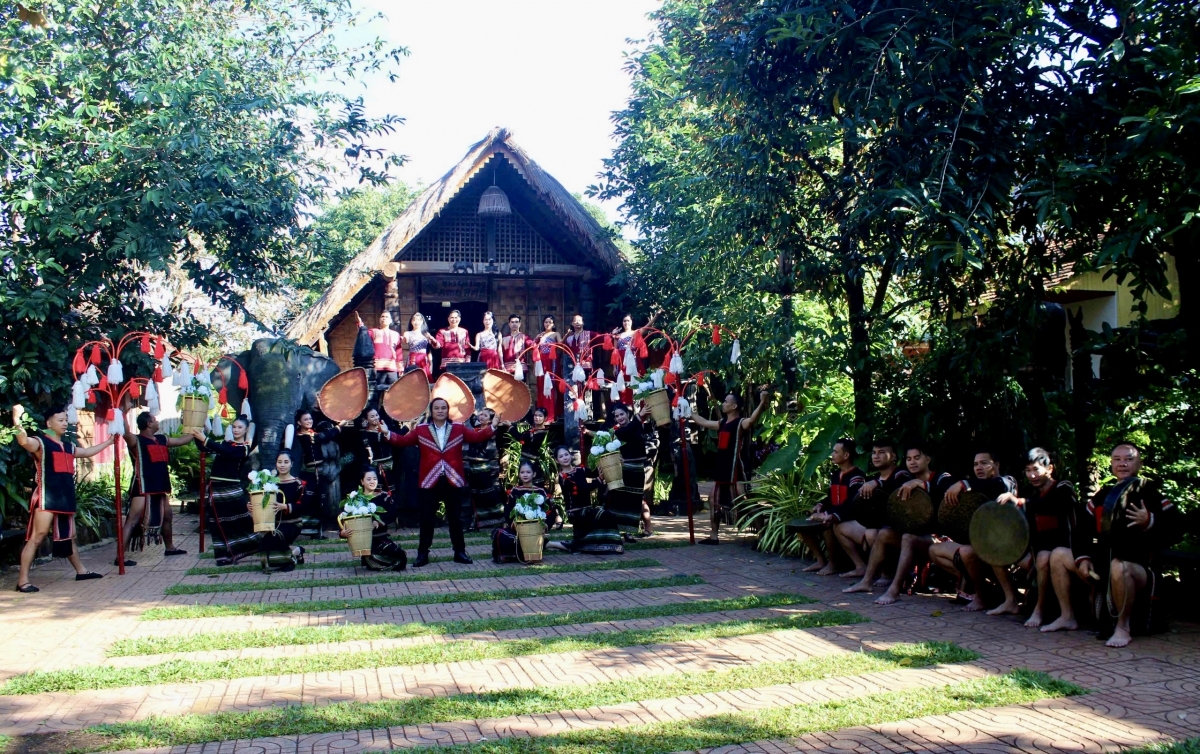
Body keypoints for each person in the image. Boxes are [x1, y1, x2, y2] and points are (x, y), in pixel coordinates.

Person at [1072, 442, 1180, 647]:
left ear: (1139, 463)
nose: (1122, 464)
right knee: (1060, 556)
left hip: (1140, 570)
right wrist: (1083, 558)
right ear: (1111, 464)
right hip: (1103, 566)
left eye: (1129, 459)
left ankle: (1123, 627)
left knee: (1119, 565)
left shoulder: (1150, 493)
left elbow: (1176, 527)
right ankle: (1068, 616)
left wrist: (1150, 521)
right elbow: (1081, 531)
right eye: (1117, 459)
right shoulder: (1103, 495)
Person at [386, 397, 502, 566]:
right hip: (429, 481)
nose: (440, 411)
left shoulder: (458, 428)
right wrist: (386, 432)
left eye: (443, 408)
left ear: (448, 411)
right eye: (437, 408)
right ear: (431, 412)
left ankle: (460, 552)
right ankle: (422, 554)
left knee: (456, 519)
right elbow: (403, 441)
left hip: (452, 480)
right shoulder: (421, 429)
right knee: (427, 519)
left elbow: (476, 437)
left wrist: (493, 426)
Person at [12, 404, 113, 592]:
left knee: (69, 536)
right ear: (49, 422)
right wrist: (17, 420)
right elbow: (24, 441)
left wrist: (109, 442)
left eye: (66, 420)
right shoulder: (41, 443)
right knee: (38, 536)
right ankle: (22, 580)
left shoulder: (68, 446)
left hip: (65, 498)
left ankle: (81, 571)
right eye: (60, 420)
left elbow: (87, 452)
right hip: (47, 496)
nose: (65, 423)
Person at [853, 443, 957, 603]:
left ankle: (894, 590)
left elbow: (946, 493)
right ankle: (867, 582)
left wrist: (923, 485)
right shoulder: (906, 479)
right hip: (914, 534)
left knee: (908, 537)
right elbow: (890, 489)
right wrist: (879, 483)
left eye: (917, 458)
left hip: (938, 537)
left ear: (928, 459)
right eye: (908, 459)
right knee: (884, 533)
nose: (912, 462)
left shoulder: (942, 477)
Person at [995, 447, 1077, 629]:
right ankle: (1011, 600)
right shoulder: (1033, 495)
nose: (1032, 476)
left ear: (1050, 469)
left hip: (1068, 553)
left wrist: (1020, 502)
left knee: (1044, 557)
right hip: (1039, 554)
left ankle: (1040, 610)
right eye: (1028, 471)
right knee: (996, 552)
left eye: (1036, 470)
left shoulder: (1064, 487)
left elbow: (1053, 506)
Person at [929, 449, 1018, 613]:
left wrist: (963, 484)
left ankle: (1008, 598)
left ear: (996, 465)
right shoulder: (975, 488)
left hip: (1007, 546)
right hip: (979, 546)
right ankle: (984, 593)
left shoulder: (1007, 482)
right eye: (975, 464)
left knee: (971, 551)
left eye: (984, 463)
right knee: (936, 549)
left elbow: (999, 485)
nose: (978, 467)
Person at [689, 387, 769, 545]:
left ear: (734, 407)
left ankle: (763, 537)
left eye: (726, 402)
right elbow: (703, 422)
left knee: (746, 500)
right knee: (713, 499)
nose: (723, 403)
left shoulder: (741, 423)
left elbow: (752, 420)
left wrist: (762, 403)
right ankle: (714, 536)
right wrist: (686, 409)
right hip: (722, 469)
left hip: (736, 469)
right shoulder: (723, 423)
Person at [825, 440, 912, 578]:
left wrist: (878, 483)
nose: (876, 456)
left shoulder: (901, 474)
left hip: (899, 529)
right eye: (874, 453)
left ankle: (887, 574)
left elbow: (898, 486)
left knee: (873, 533)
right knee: (842, 527)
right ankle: (868, 568)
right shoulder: (874, 477)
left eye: (882, 452)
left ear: (894, 456)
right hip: (878, 526)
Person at [121, 411, 193, 563]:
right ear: (149, 424)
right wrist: (124, 411)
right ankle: (119, 557)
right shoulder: (136, 440)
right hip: (143, 486)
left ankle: (170, 548)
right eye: (155, 420)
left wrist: (196, 429)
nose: (157, 422)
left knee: (167, 516)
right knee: (132, 520)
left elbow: (181, 440)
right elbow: (125, 432)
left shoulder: (162, 439)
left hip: (160, 486)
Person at [192, 418, 260, 566]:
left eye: (239, 427)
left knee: (240, 519)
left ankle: (252, 546)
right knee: (217, 522)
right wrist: (198, 433)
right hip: (216, 488)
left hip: (231, 488)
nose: (236, 430)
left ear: (246, 430)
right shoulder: (225, 443)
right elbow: (205, 448)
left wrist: (205, 439)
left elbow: (227, 452)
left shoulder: (244, 448)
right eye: (234, 427)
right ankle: (223, 555)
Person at [799, 439, 865, 575]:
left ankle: (833, 563)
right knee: (803, 526)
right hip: (833, 514)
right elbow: (830, 497)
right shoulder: (835, 475)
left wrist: (831, 515)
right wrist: (820, 505)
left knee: (829, 526)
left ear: (846, 455)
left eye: (835, 452)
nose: (832, 455)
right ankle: (820, 560)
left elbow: (853, 503)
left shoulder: (857, 476)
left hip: (849, 517)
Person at [589, 403, 654, 537]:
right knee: (618, 499)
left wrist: (640, 418)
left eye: (622, 414)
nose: (619, 418)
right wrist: (639, 417)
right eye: (617, 416)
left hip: (637, 469)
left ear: (627, 414)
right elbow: (624, 433)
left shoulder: (637, 425)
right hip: (621, 469)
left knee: (635, 498)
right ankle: (618, 530)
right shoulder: (615, 430)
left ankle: (635, 531)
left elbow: (632, 429)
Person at [547, 445, 624, 554]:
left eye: (566, 454)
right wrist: (598, 481)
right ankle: (612, 544)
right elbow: (582, 488)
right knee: (606, 515)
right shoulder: (563, 477)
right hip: (576, 513)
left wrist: (611, 462)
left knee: (580, 542)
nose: (565, 457)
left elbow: (595, 472)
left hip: (586, 510)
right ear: (556, 460)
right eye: (561, 456)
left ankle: (552, 544)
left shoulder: (580, 469)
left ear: (570, 455)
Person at [255, 450, 312, 572]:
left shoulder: (299, 484)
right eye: (279, 462)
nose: (282, 465)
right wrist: (253, 506)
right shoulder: (268, 484)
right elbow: (261, 503)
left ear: (291, 464)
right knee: (262, 540)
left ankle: (289, 561)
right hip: (273, 523)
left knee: (274, 538)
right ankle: (296, 551)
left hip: (292, 523)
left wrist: (286, 507)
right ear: (275, 464)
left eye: (286, 462)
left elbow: (304, 505)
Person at [342, 466, 408, 571]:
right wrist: (343, 533)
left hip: (380, 537)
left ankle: (373, 559)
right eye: (368, 479)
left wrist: (378, 521)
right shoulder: (355, 499)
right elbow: (344, 518)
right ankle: (370, 557)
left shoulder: (384, 496)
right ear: (362, 482)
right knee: (397, 558)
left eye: (375, 478)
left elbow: (392, 513)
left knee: (400, 556)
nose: (372, 481)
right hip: (363, 540)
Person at [293, 409, 342, 534]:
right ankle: (304, 529)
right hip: (308, 473)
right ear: (299, 422)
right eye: (306, 419)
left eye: (310, 419)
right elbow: (323, 436)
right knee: (307, 499)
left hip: (320, 472)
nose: (309, 421)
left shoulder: (312, 434)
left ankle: (317, 531)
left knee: (321, 500)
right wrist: (339, 427)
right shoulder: (301, 437)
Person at [492, 459, 550, 563]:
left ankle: (526, 554)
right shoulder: (515, 491)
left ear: (534, 474)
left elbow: (549, 511)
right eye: (522, 472)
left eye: (528, 472)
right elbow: (508, 510)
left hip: (535, 530)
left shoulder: (540, 491)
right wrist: (513, 523)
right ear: (519, 474)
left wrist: (545, 525)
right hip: (518, 529)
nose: (525, 475)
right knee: (500, 534)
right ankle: (512, 555)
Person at [465, 408, 506, 530]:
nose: (481, 416)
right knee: (475, 494)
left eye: (485, 415)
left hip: (484, 466)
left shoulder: (493, 431)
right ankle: (478, 521)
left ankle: (502, 519)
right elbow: (470, 416)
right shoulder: (475, 430)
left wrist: (499, 424)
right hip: (472, 466)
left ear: (491, 419)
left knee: (489, 493)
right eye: (480, 414)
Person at [609, 313, 653, 405]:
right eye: (624, 321)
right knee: (623, 385)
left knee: (636, 382)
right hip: (621, 363)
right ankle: (626, 406)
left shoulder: (635, 333)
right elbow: (615, 352)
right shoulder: (618, 335)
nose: (626, 323)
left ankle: (639, 407)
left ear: (631, 322)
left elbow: (646, 328)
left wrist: (655, 318)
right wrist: (614, 367)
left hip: (633, 361)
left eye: (628, 320)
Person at [564, 314, 598, 417]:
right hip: (572, 369)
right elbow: (562, 346)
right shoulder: (569, 338)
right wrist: (566, 335)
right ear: (572, 323)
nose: (577, 322)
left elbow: (603, 338)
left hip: (586, 367)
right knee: (573, 391)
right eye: (575, 321)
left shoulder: (590, 334)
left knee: (586, 390)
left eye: (580, 320)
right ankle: (575, 413)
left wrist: (612, 335)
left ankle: (588, 414)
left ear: (583, 323)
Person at [356, 310, 401, 389]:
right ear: (379, 319)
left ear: (390, 321)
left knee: (394, 390)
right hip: (377, 367)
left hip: (392, 368)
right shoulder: (373, 332)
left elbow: (399, 352)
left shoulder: (396, 334)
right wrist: (360, 324)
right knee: (378, 391)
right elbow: (363, 335)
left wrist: (400, 368)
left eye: (386, 317)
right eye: (382, 317)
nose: (384, 318)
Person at [512, 407, 552, 488]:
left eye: (540, 416)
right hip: (522, 461)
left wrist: (510, 427)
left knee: (535, 485)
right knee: (523, 484)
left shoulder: (546, 433)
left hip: (534, 463)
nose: (537, 418)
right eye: (535, 415)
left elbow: (520, 437)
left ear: (545, 418)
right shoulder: (531, 430)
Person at [359, 408, 395, 496]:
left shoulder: (384, 428)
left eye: (376, 415)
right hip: (375, 467)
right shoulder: (365, 434)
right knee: (376, 492)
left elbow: (397, 436)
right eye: (372, 416)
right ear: (366, 419)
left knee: (391, 491)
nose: (376, 418)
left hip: (389, 466)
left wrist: (408, 426)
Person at [534, 315, 562, 422]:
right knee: (541, 387)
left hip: (551, 361)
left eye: (550, 322)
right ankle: (541, 414)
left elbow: (561, 344)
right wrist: (536, 339)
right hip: (541, 363)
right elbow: (533, 347)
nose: (547, 324)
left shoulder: (556, 334)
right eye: (546, 322)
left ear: (553, 324)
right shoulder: (540, 335)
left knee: (550, 386)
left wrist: (567, 334)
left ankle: (551, 415)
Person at [402, 312, 434, 378]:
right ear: (411, 322)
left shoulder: (426, 334)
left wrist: (431, 364)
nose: (416, 322)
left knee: (425, 380)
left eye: (419, 320)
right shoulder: (408, 333)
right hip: (412, 359)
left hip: (424, 359)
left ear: (422, 321)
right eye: (414, 320)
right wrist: (405, 338)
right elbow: (405, 340)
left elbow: (428, 350)